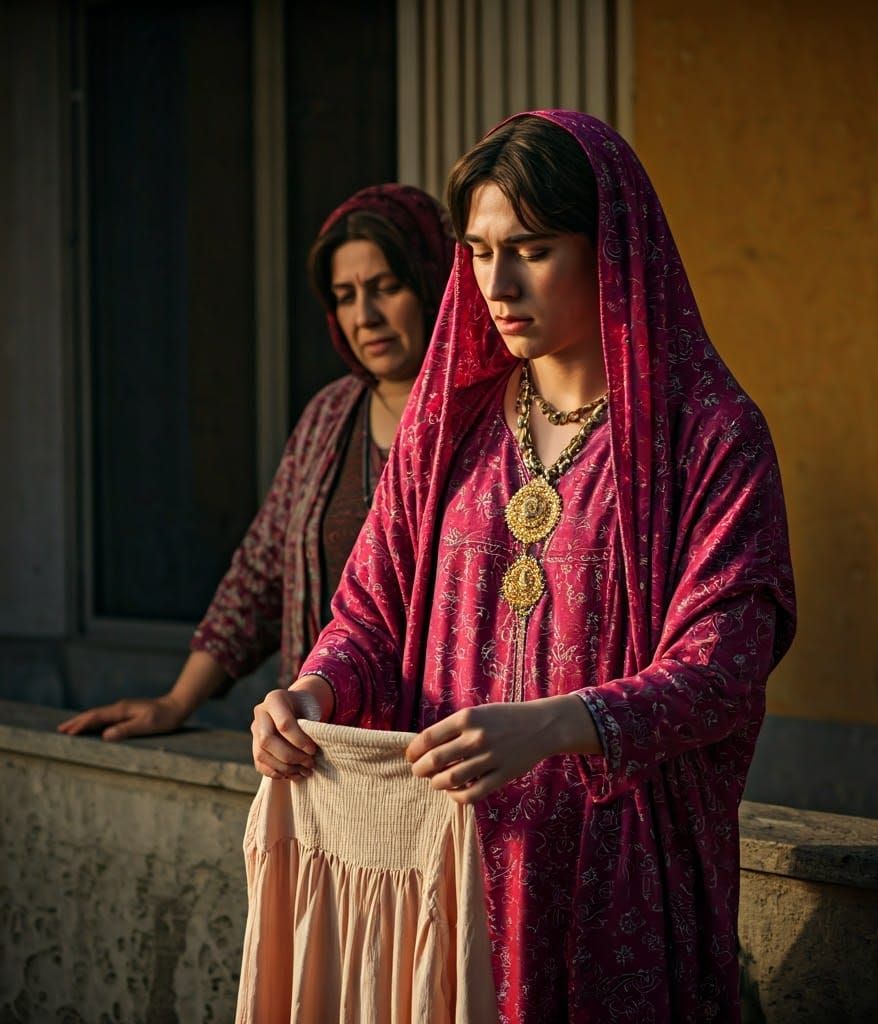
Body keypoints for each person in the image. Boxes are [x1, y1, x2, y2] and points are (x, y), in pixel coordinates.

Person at [251, 112, 796, 1021]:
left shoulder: (707, 436)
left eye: (532, 251)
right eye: (476, 251)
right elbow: (370, 616)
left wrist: (556, 725)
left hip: (608, 878)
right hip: (447, 863)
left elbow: (724, 666)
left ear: (611, 250)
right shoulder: (449, 425)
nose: (496, 285)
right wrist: (313, 691)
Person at [59, 185, 454, 742]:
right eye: (344, 295)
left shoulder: (481, 417)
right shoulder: (330, 416)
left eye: (387, 288)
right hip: (322, 751)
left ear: (434, 283)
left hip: (443, 750)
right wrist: (176, 701)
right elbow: (261, 574)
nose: (365, 316)